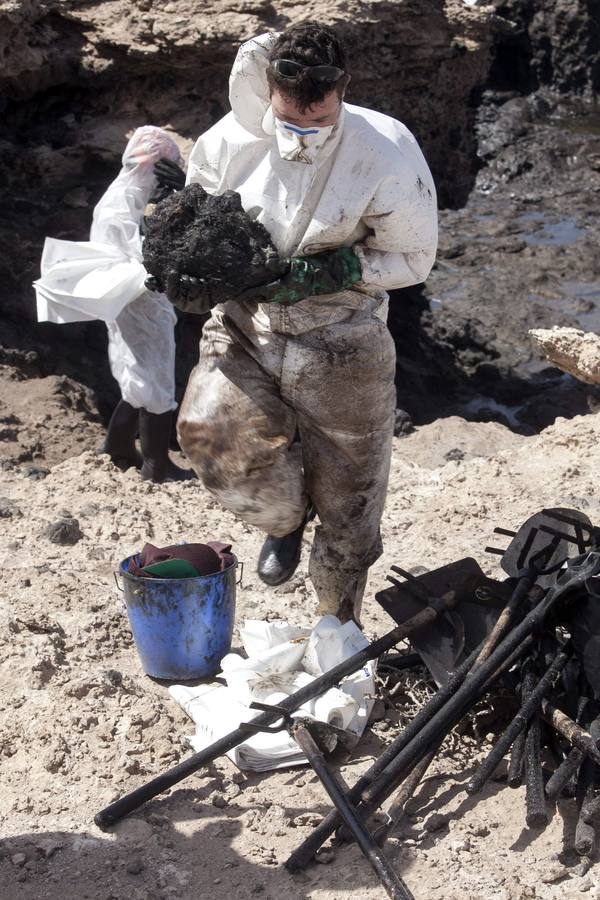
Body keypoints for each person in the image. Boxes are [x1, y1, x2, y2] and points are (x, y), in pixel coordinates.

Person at [170, 23, 438, 621]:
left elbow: (415, 258)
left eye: (318, 125)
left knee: (352, 497)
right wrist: (182, 266)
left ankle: (336, 616)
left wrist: (336, 268)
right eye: (290, 123)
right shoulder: (224, 145)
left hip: (343, 331)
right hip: (247, 321)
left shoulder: (386, 150)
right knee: (208, 434)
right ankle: (286, 518)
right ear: (269, 95)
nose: (302, 138)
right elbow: (192, 228)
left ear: (342, 92)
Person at [36, 126, 193, 483]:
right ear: (152, 162)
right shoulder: (121, 200)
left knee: (138, 379)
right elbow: (122, 252)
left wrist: (177, 200)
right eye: (166, 164)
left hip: (139, 299)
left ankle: (117, 448)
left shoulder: (135, 195)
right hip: (137, 301)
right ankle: (158, 465)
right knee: (156, 377)